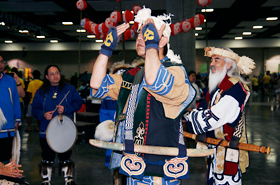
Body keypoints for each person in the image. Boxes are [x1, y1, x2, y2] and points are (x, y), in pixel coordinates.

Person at [90, 7, 195, 185]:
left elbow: (155, 81)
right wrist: (106, 49)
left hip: (161, 169)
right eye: (139, 33)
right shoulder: (133, 75)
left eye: (147, 33)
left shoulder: (176, 72)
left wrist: (152, 44)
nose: (140, 37)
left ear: (163, 40)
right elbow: (96, 84)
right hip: (134, 164)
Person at [184, 47, 255, 185]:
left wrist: (186, 115)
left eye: (217, 60)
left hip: (228, 150)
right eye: (211, 60)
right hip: (213, 150)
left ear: (229, 64)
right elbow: (204, 107)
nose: (212, 64)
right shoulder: (217, 88)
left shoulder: (236, 88)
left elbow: (215, 117)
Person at [32, 65, 83, 185]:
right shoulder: (41, 92)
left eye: (57, 73)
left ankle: (68, 179)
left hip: (65, 129)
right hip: (46, 130)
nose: (55, 76)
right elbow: (34, 109)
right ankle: (46, 179)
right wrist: (43, 114)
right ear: (46, 77)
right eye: (52, 74)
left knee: (65, 154)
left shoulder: (70, 89)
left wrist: (66, 108)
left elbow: (78, 103)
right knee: (47, 155)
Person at [0, 55, 26, 184]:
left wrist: (17, 119)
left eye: (1, 62)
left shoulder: (10, 80)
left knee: (6, 158)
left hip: (8, 128)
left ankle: (6, 181)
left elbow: (16, 100)